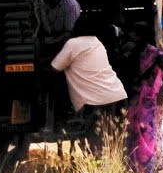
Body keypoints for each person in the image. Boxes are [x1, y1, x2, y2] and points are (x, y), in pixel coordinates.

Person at [50, 16, 128, 151]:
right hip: (116, 94)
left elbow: (55, 67)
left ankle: (98, 166)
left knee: (94, 140)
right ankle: (112, 165)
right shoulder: (96, 42)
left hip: (93, 100)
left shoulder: (72, 44)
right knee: (112, 137)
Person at [121, 22, 163, 173]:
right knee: (134, 130)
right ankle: (134, 165)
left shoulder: (154, 53)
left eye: (135, 34)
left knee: (147, 130)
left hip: (149, 98)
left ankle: (147, 166)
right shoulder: (129, 52)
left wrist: (162, 91)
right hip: (135, 97)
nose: (132, 37)